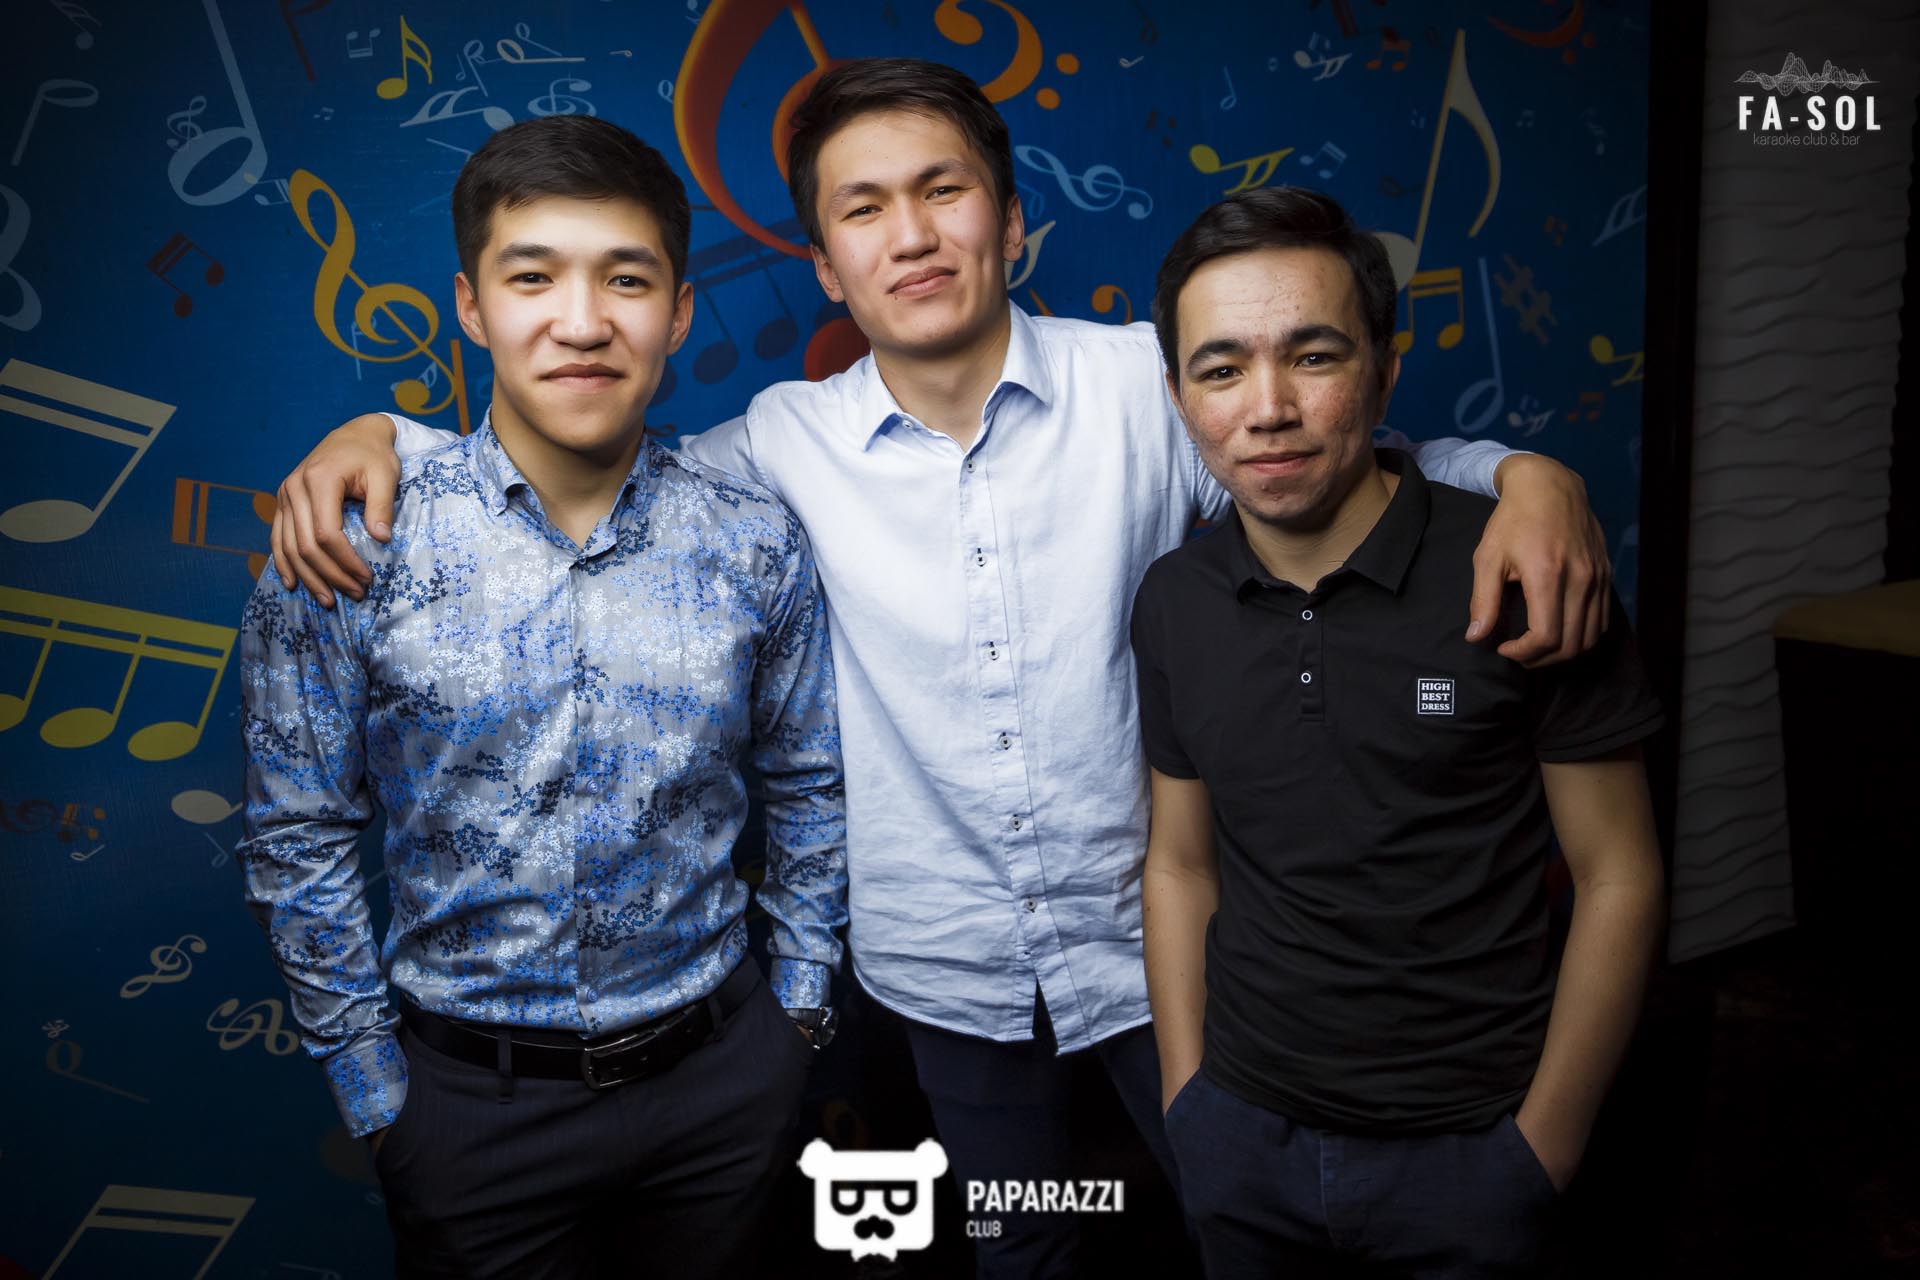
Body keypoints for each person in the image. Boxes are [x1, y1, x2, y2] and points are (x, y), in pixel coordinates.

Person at [262, 60, 1614, 1279]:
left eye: (942, 191)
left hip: (1174, 962)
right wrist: (384, 433)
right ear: (825, 266)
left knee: (1235, 1232)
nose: (909, 235)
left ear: (1010, 222)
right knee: (1022, 1245)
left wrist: (1526, 475)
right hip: (949, 978)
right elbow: (591, 459)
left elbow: (1331, 445)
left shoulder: (1148, 384)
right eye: (863, 209)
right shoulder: (775, 450)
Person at [237, 115, 847, 1280]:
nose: (582, 321)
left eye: (627, 278)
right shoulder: (350, 539)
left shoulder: (755, 537)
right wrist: (378, 1095)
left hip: (724, 1084)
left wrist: (799, 1012)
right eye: (533, 278)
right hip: (468, 1111)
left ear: (678, 310)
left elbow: (810, 780)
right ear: (472, 307)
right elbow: (295, 833)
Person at [1132, 186, 1666, 1279]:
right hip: (1242, 1138)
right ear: (1179, 395)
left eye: (1313, 356)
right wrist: (1190, 1102)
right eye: (1221, 369)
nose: (1268, 408)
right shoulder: (1174, 601)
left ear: (1383, 368)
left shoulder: (1524, 568)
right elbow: (1181, 863)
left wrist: (1544, 1146)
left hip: (1475, 1148)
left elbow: (1619, 872)